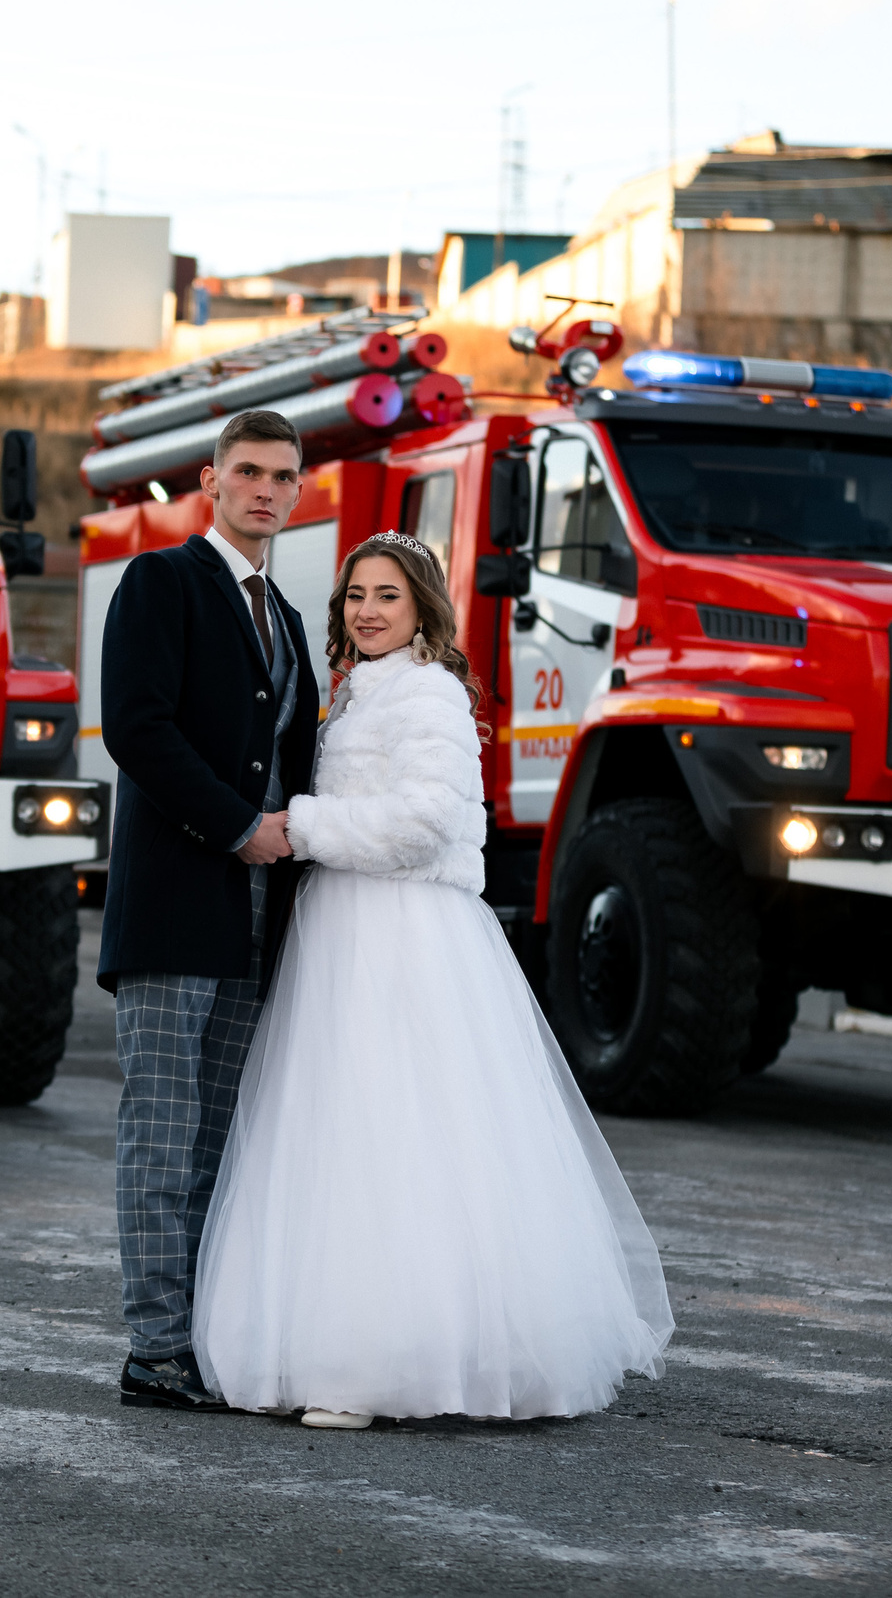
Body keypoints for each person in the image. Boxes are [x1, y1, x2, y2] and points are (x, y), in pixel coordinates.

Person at [191, 530, 674, 1428]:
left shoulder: (431, 691)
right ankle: (331, 1342)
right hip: (341, 929)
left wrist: (302, 825)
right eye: (355, 595)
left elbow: (426, 821)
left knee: (401, 1130)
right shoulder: (356, 691)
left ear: (422, 607)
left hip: (404, 933)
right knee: (336, 1132)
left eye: (388, 595)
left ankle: (382, 1365)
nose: (367, 611)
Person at [97, 407, 321, 1412]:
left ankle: (204, 1340)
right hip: (176, 899)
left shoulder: (288, 617)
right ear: (211, 481)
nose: (265, 490)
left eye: (282, 476)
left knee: (217, 1140)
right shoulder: (162, 580)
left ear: (298, 490)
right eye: (249, 472)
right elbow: (137, 729)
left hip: (257, 912)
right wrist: (237, 826)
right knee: (161, 1128)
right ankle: (154, 1349)